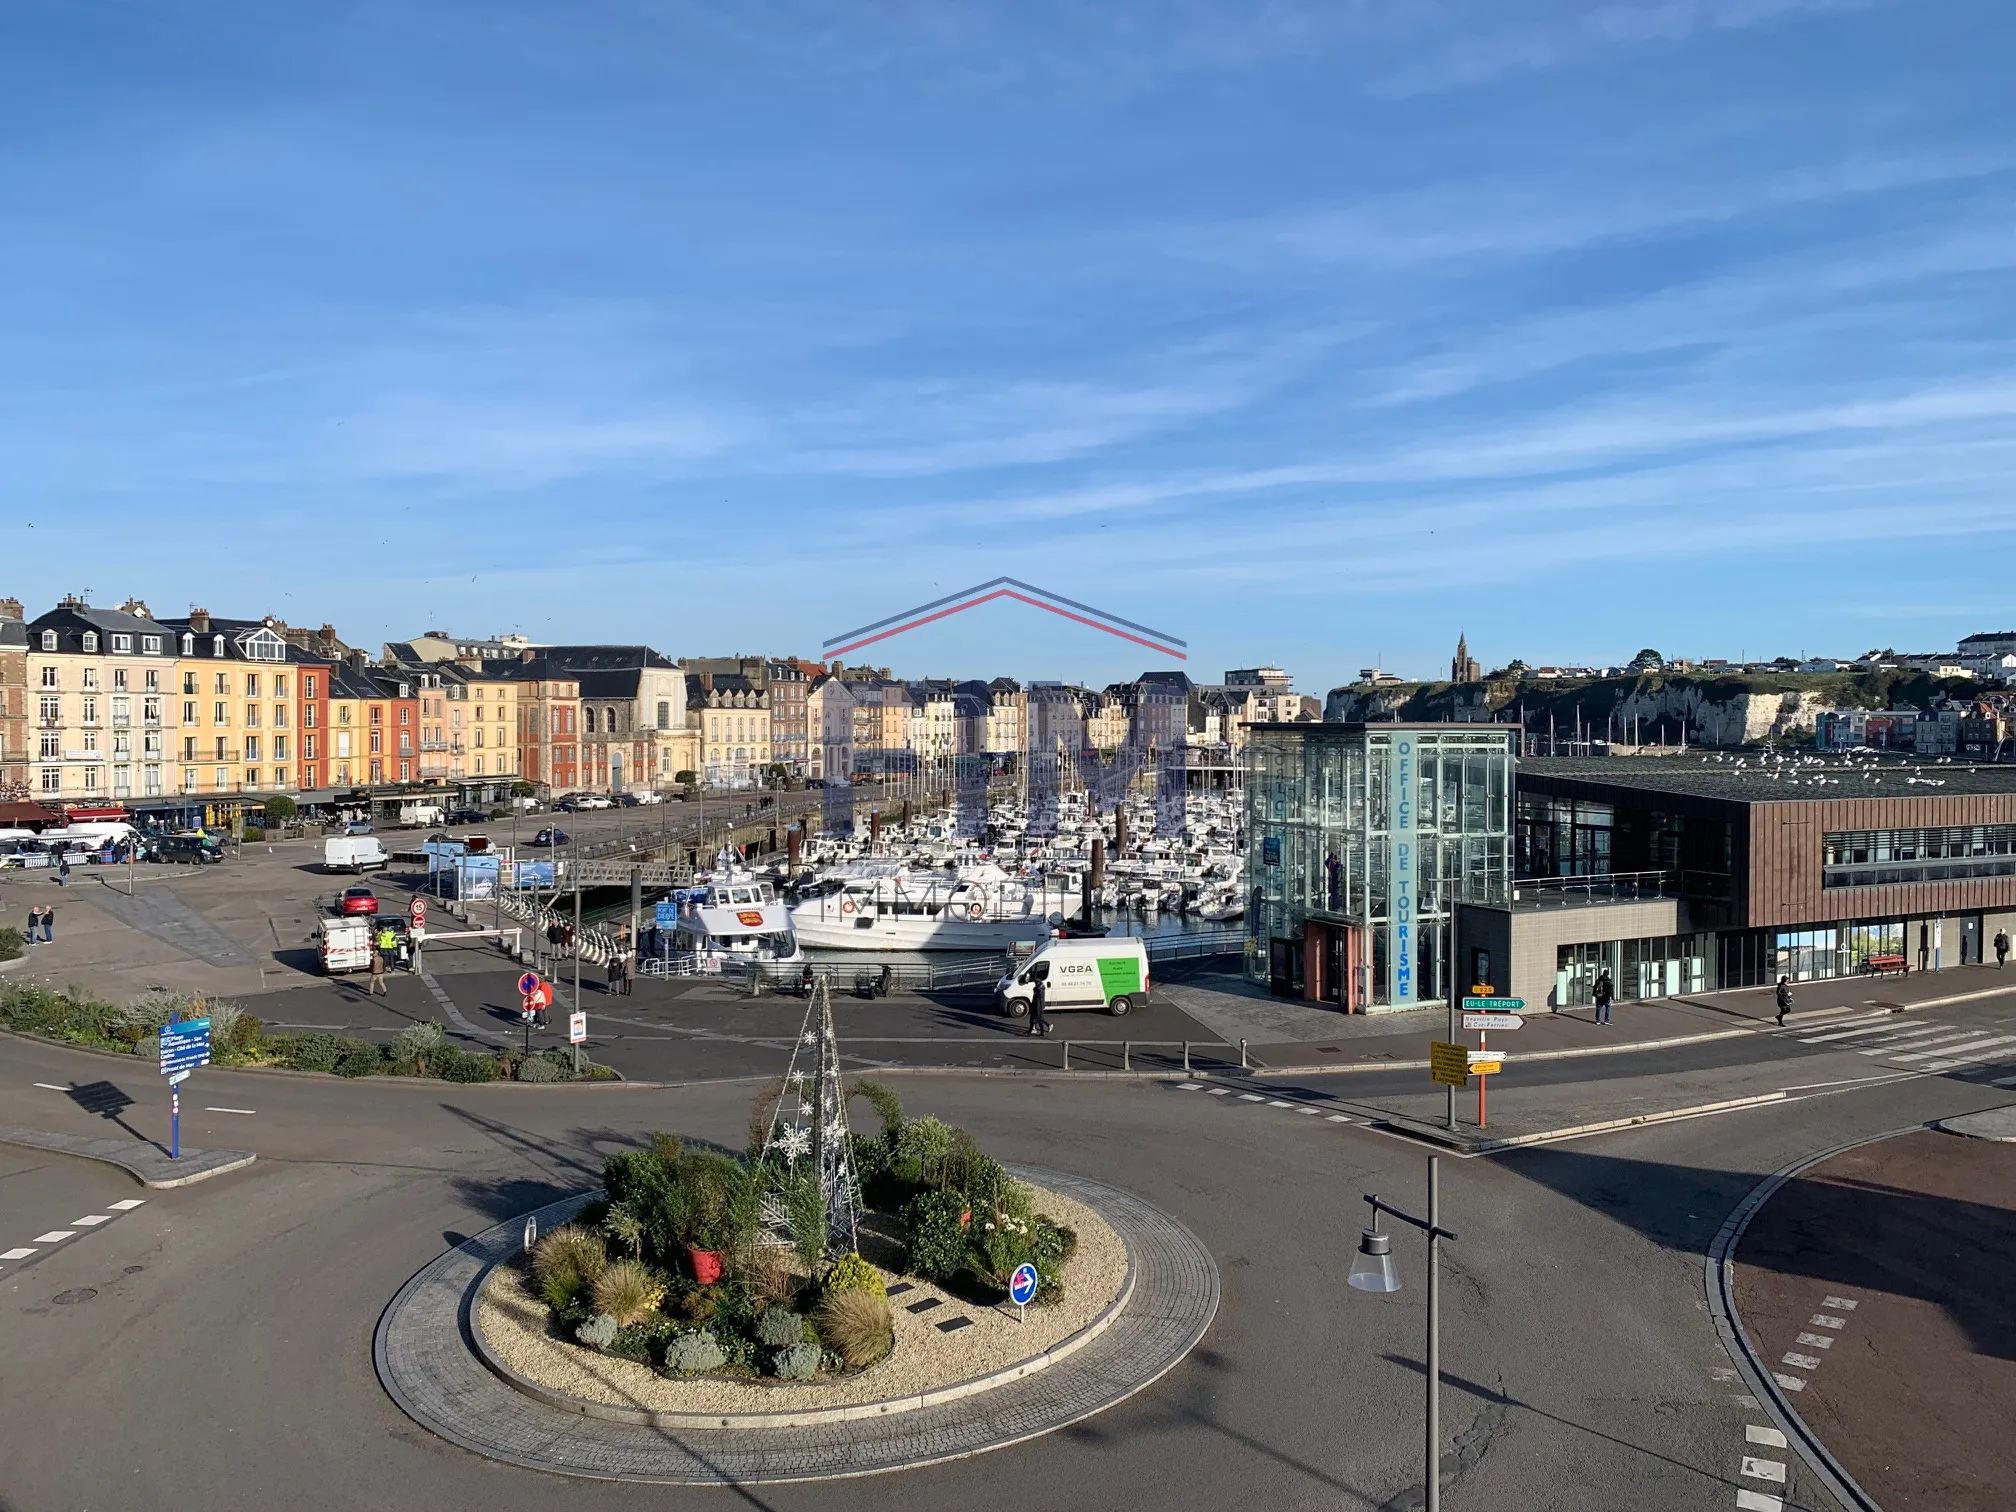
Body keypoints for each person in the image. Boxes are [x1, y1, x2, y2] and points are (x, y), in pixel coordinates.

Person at [1026, 964, 1052, 1037]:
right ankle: (1041, 1032)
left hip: (1037, 1007)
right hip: (1038, 1006)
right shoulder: (1040, 988)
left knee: (1034, 1020)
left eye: (1035, 983)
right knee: (1039, 1019)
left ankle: (1030, 1032)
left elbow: (1037, 1000)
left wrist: (1036, 1008)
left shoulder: (1038, 990)